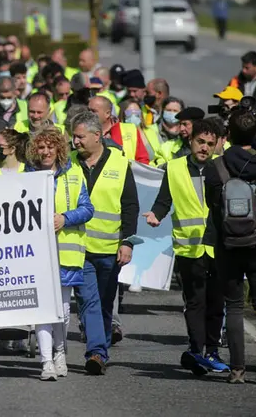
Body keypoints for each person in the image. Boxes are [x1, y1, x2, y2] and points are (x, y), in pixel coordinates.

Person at [144, 119, 228, 375]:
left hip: (217, 246)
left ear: (216, 146)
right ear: (191, 140)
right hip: (188, 248)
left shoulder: (221, 168)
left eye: (210, 144)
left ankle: (211, 351)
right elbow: (164, 200)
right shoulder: (175, 167)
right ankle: (196, 348)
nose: (204, 148)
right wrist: (156, 214)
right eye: (200, 142)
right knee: (195, 303)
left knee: (216, 302)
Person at [70, 110, 138, 375]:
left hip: (111, 249)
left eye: (80, 137)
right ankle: (96, 352)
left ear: (97, 136)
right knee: (89, 301)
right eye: (73, 136)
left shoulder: (120, 164)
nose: (75, 142)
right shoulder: (69, 164)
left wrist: (128, 242)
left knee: (106, 302)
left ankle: (102, 348)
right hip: (79, 248)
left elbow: (130, 206)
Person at [26, 127, 94, 380]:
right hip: (37, 254)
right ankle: (46, 362)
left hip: (66, 255)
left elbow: (88, 209)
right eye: (41, 147)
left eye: (50, 147)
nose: (45, 152)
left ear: (58, 149)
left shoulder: (74, 174)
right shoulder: (27, 176)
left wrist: (64, 218)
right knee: (43, 308)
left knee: (63, 311)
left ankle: (60, 352)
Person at [203, 107, 256, 384]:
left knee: (234, 307)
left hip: (228, 244)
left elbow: (212, 207)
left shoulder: (216, 167)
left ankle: (237, 369)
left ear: (228, 135)